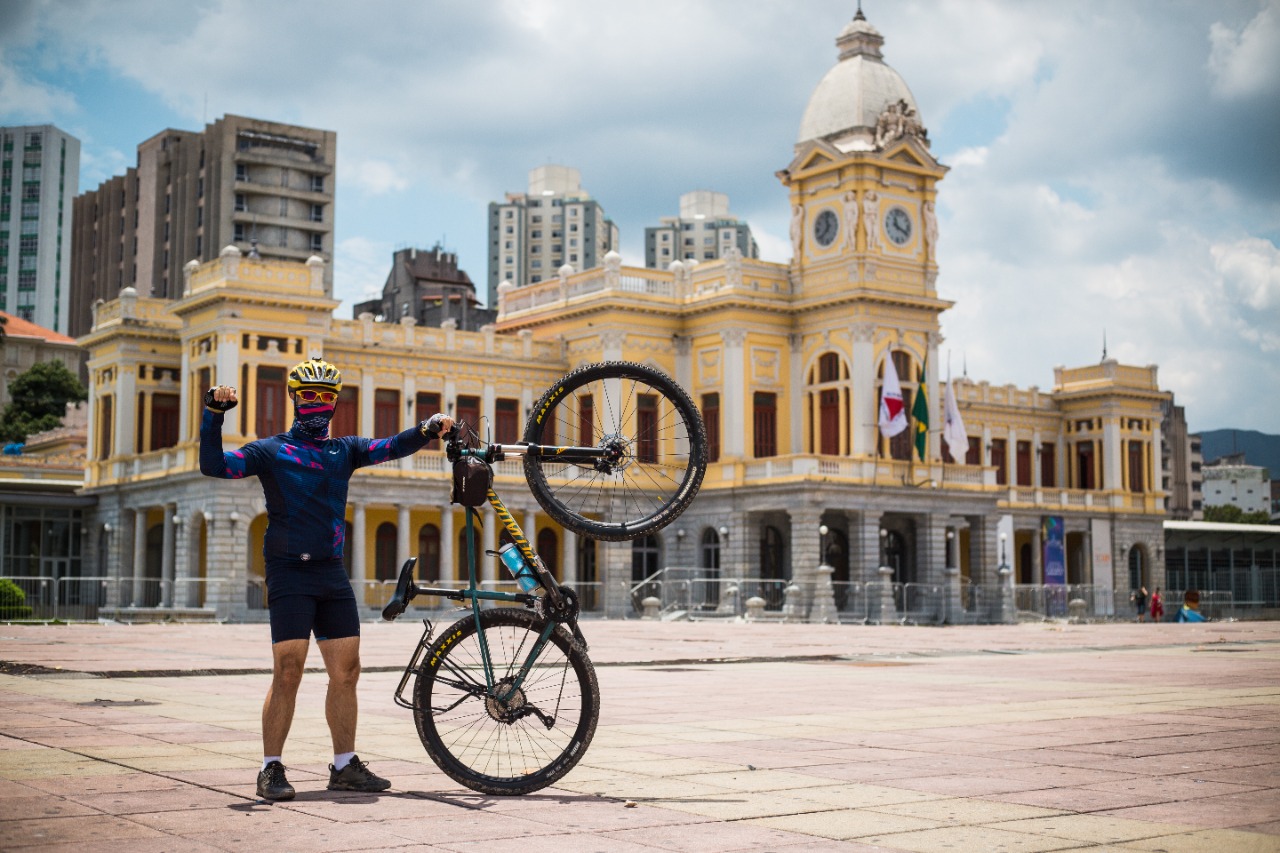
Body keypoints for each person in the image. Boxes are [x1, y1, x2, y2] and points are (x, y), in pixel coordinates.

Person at [200, 357, 452, 801]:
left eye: (327, 397)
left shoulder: (345, 450)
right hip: (289, 572)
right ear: (296, 399)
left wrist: (429, 428)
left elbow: (392, 445)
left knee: (348, 672)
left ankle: (343, 765)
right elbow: (215, 466)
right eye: (310, 396)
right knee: (288, 671)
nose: (318, 404)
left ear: (336, 403)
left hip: (330, 572)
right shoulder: (270, 451)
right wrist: (214, 415)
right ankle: (271, 768)